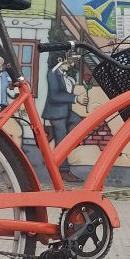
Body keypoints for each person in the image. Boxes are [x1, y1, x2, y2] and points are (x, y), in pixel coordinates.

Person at [42, 53, 88, 182]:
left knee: (80, 126)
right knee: (62, 142)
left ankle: (54, 155)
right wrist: (75, 98)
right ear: (60, 59)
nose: (72, 65)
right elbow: (54, 96)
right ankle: (63, 171)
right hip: (56, 113)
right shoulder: (53, 73)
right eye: (70, 62)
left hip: (67, 112)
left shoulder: (65, 75)